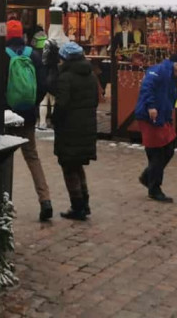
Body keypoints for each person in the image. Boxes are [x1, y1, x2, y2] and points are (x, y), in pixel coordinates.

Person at [2, 19, 52, 221]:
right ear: (22, 35)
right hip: (28, 115)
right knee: (32, 157)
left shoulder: (3, 56)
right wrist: (32, 104)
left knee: (4, 159)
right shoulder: (34, 55)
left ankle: (2, 202)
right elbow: (42, 85)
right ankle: (45, 200)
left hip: (7, 116)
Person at [51, 40, 99, 222]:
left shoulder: (66, 77)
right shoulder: (91, 75)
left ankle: (77, 205)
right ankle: (84, 203)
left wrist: (55, 120)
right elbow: (95, 100)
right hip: (86, 127)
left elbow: (61, 105)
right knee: (77, 166)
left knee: (69, 166)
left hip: (70, 128)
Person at [134, 53, 177, 203]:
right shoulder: (158, 71)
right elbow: (147, 87)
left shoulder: (173, 79)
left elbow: (169, 99)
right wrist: (151, 106)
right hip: (150, 116)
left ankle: (148, 177)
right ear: (172, 63)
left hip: (163, 118)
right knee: (158, 152)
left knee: (168, 149)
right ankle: (154, 188)